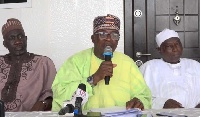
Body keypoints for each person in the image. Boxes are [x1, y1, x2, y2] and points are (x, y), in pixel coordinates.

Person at [52, 14, 151, 111]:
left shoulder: (127, 63)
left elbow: (144, 95)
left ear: (118, 40)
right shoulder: (76, 61)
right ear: (93, 38)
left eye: (114, 35)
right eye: (102, 34)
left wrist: (139, 101)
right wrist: (94, 78)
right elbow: (60, 94)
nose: (108, 38)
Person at [0, 18, 56, 111]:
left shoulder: (43, 63)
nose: (18, 41)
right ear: (5, 44)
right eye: (12, 38)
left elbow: (54, 95)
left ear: (26, 39)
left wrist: (44, 103)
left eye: (20, 36)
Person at [140, 28, 200, 109]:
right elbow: (140, 97)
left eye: (177, 44)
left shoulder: (195, 65)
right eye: (169, 46)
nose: (175, 49)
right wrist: (162, 104)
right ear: (159, 50)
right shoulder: (148, 68)